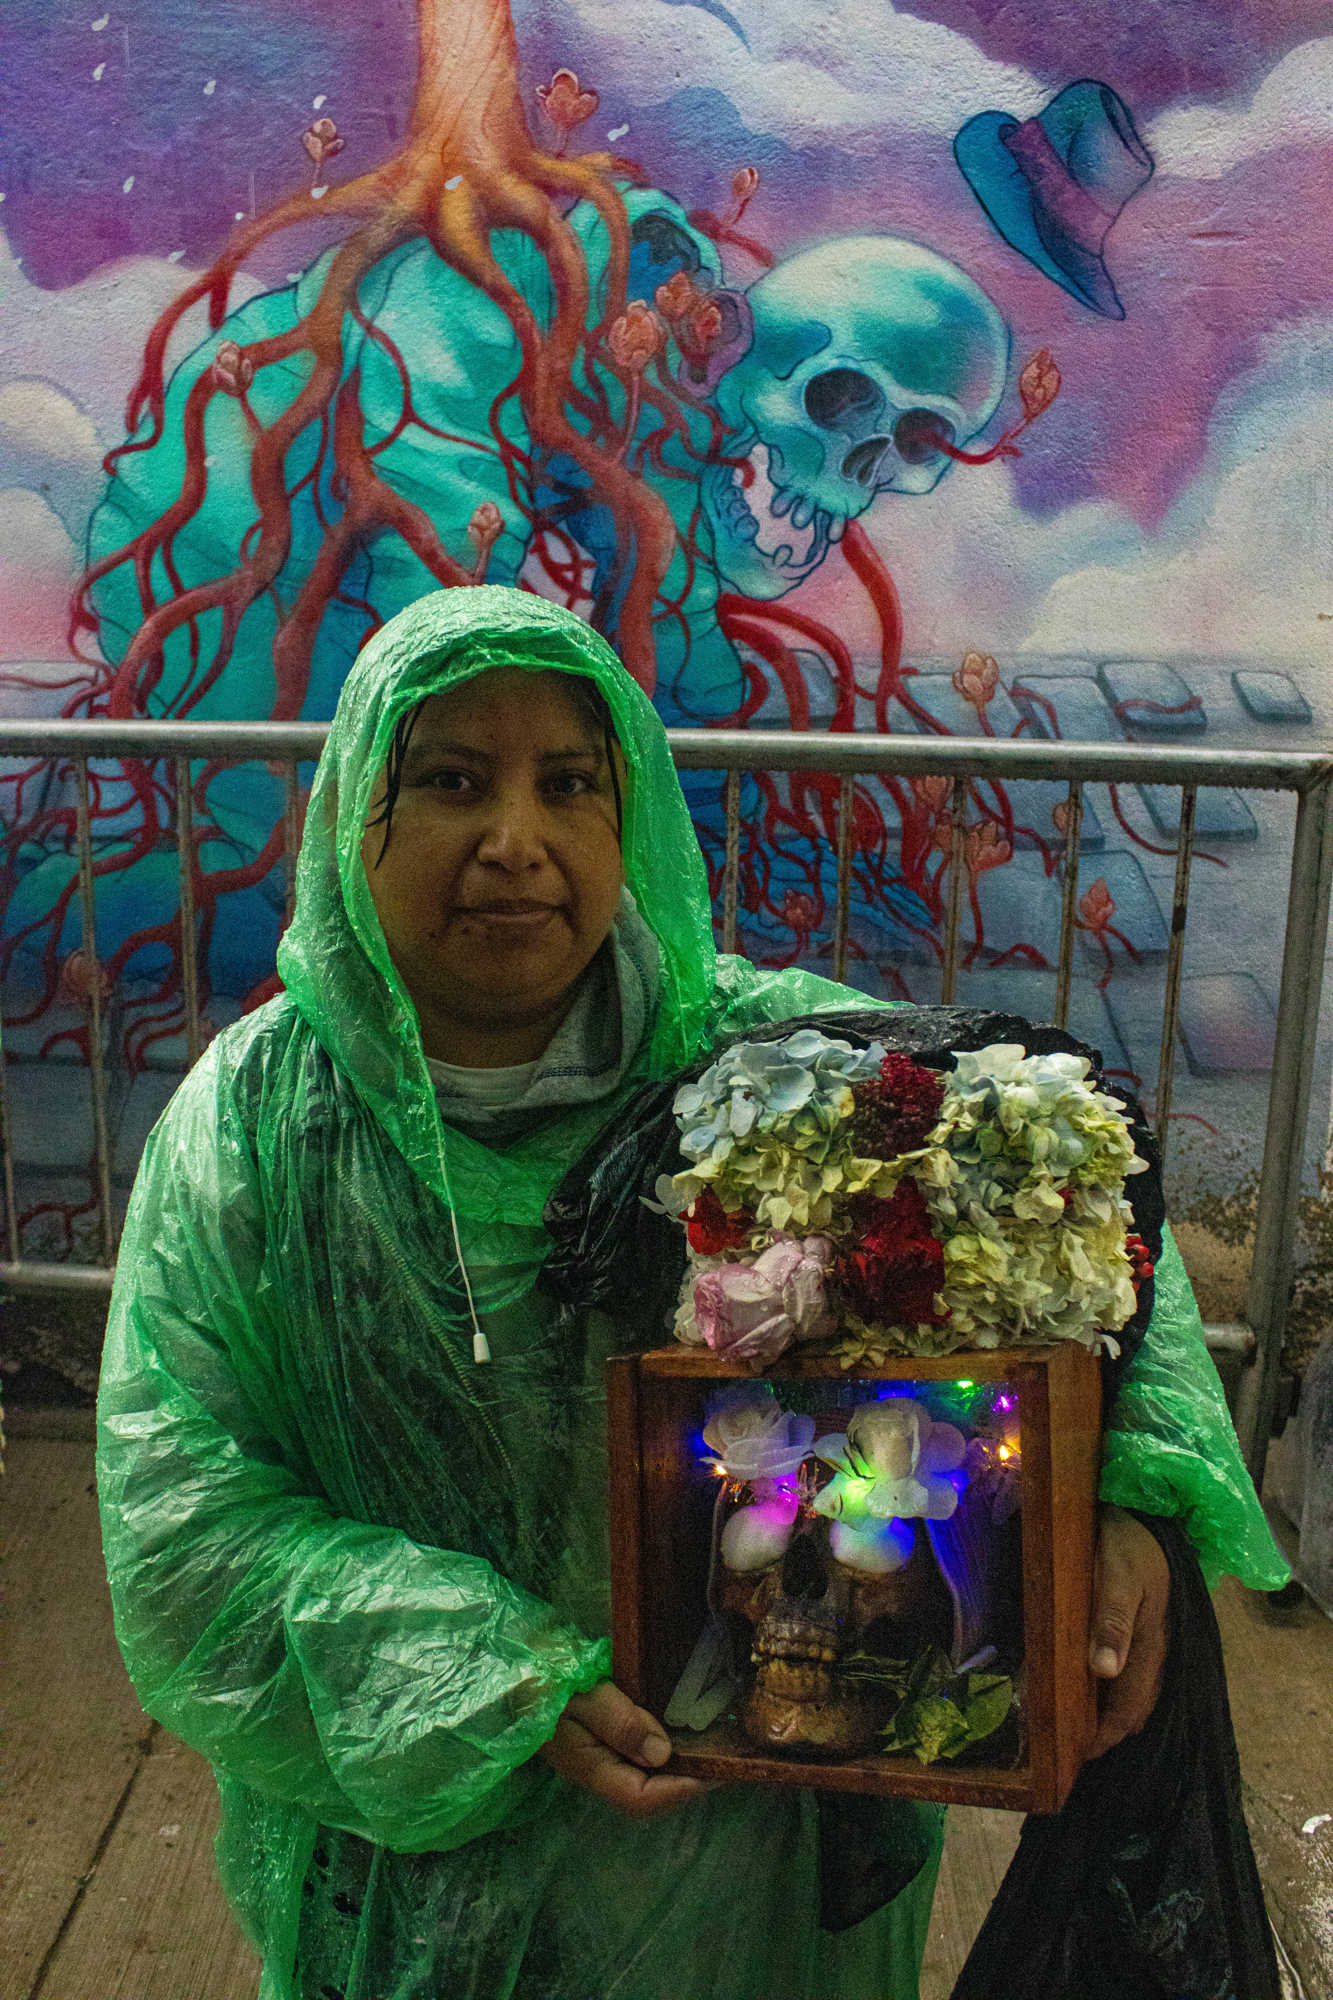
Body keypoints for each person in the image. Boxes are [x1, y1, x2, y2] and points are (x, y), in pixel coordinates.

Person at [96, 586, 1287, 2000]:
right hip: (411, 1887)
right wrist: (477, 1677)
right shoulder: (253, 1131)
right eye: (454, 782)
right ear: (359, 820)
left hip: (758, 1867)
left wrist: (1124, 1499)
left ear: (631, 819)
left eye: (568, 784)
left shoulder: (783, 1074)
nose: (515, 840)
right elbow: (182, 1526)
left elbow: (1097, 1230)